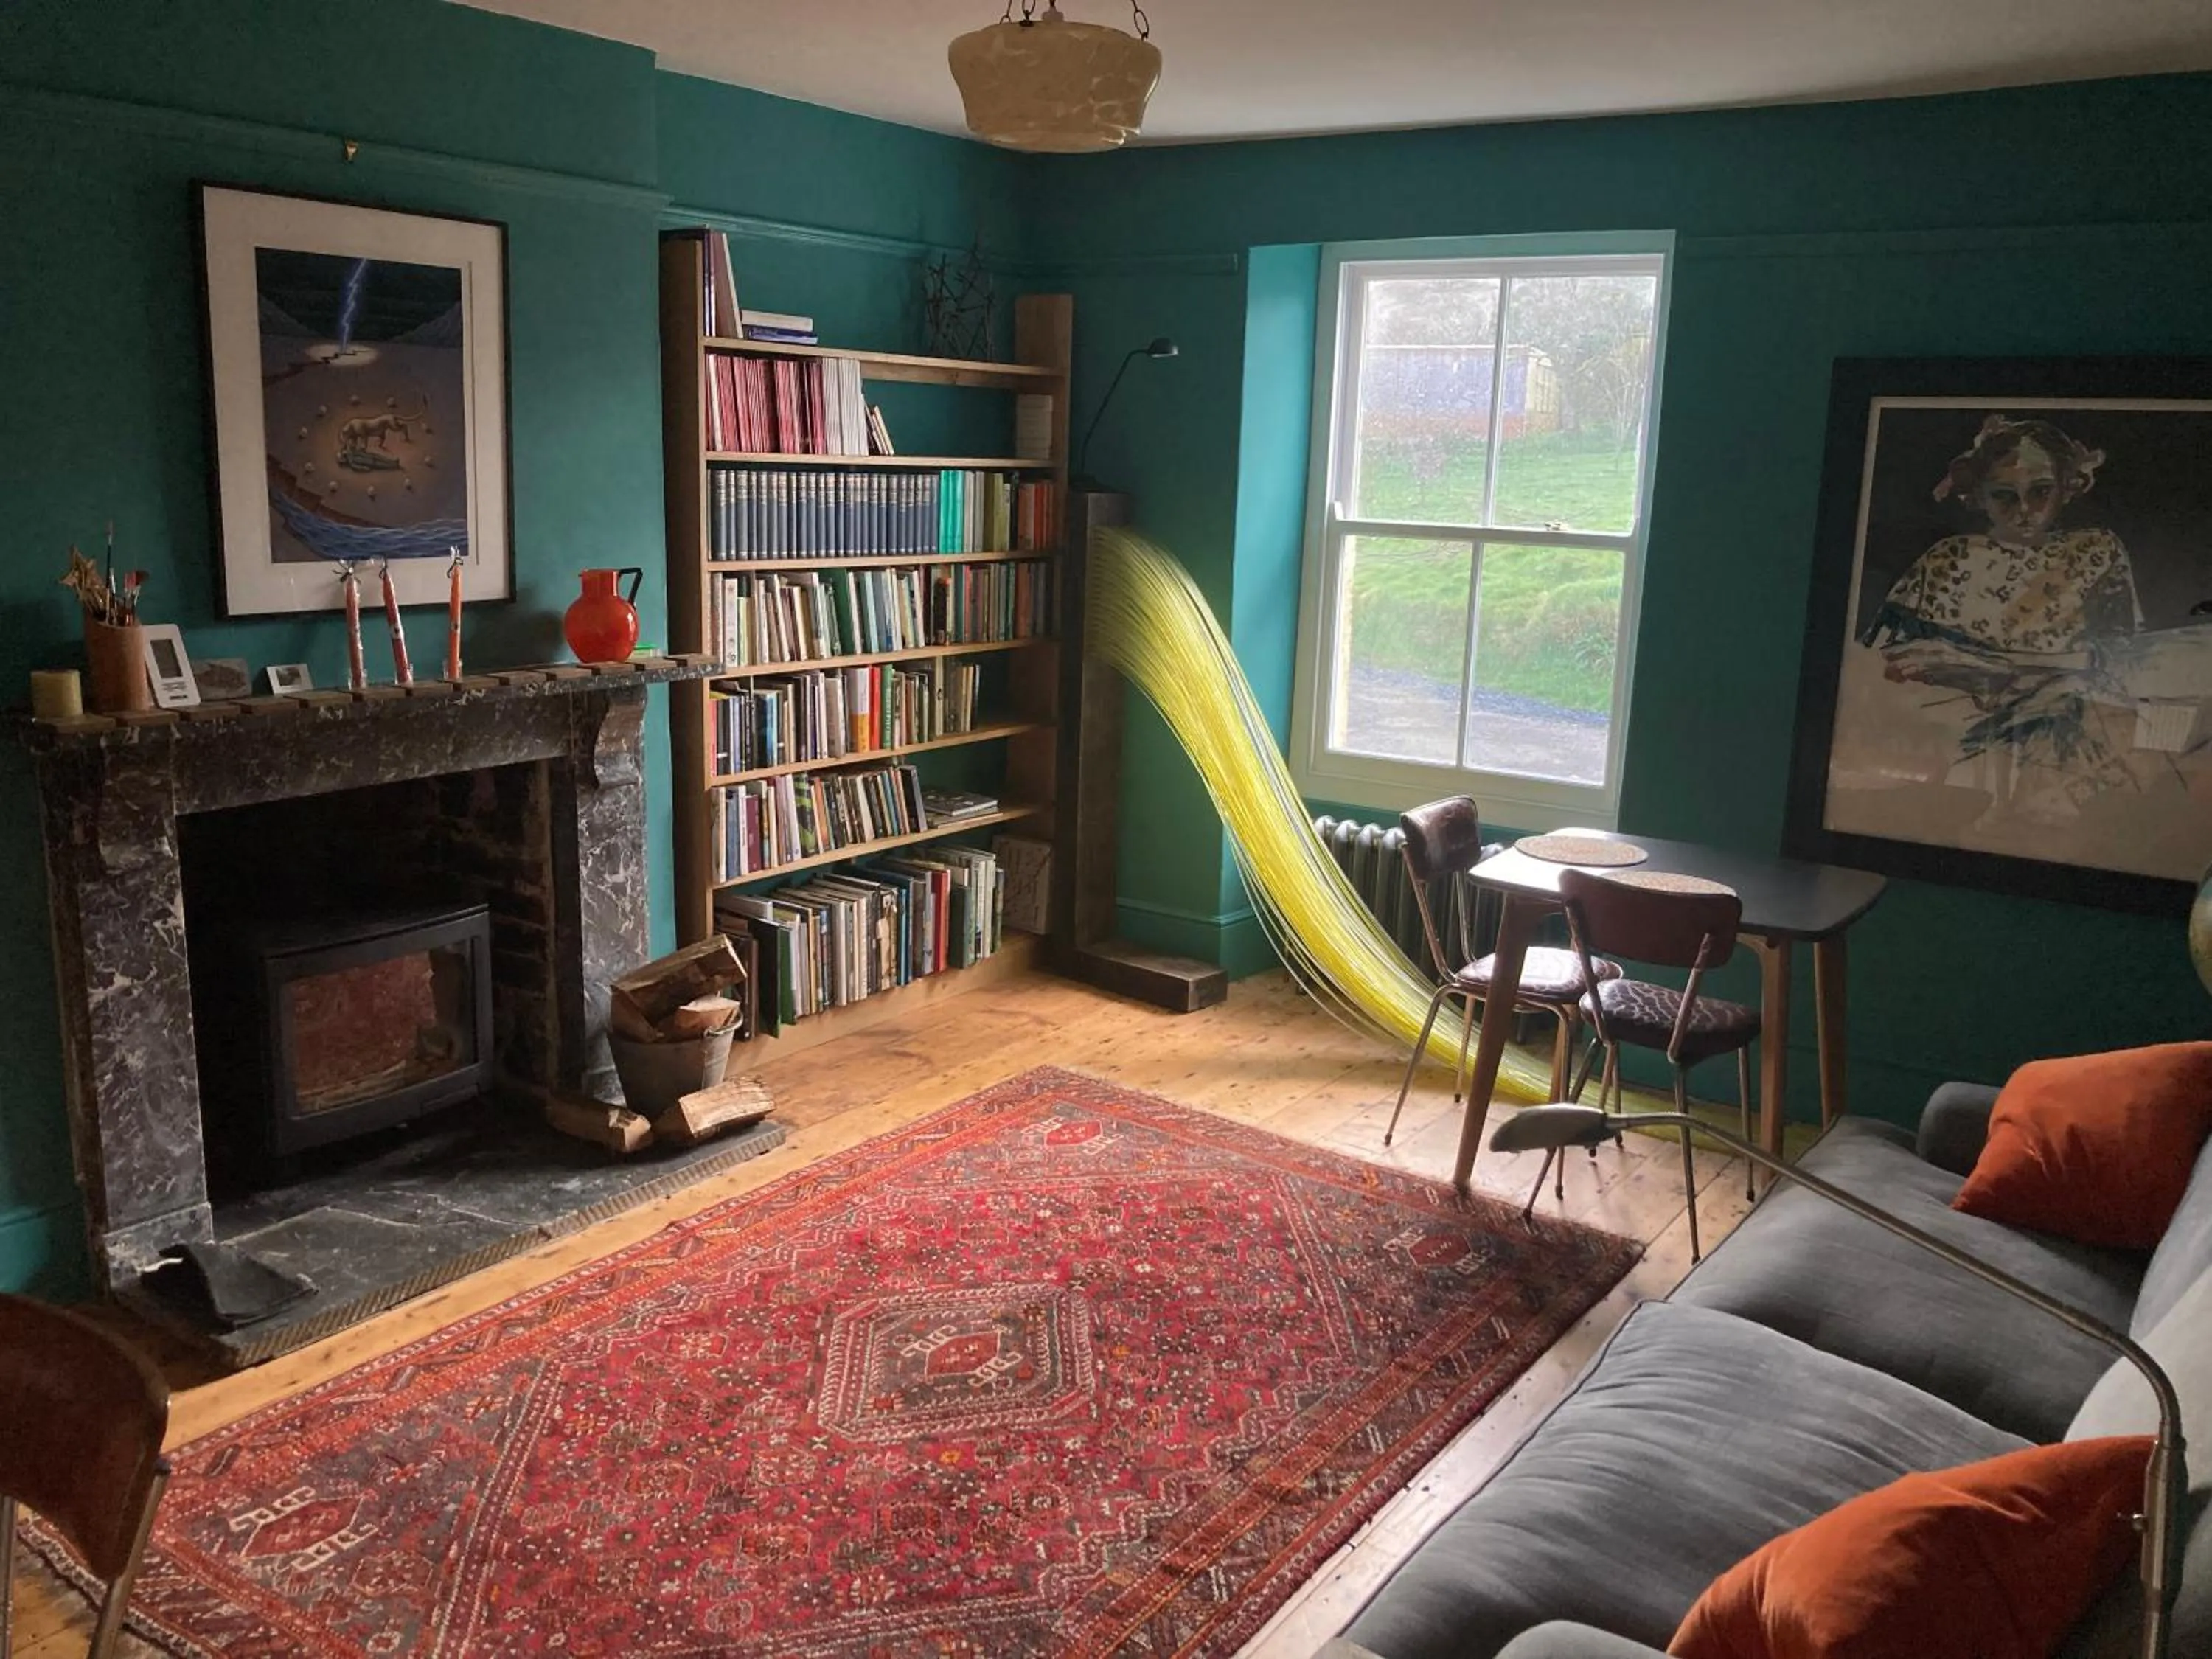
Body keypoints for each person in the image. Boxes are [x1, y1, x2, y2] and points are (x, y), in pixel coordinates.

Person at [1858, 414, 2141, 798]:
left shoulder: (2096, 551)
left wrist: (1994, 667)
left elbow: (2126, 661)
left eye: (2041, 491)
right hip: (1951, 738)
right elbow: (1876, 665)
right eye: (2004, 496)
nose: (2024, 509)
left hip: (2062, 732)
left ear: (2067, 487)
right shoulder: (1948, 558)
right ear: (1979, 495)